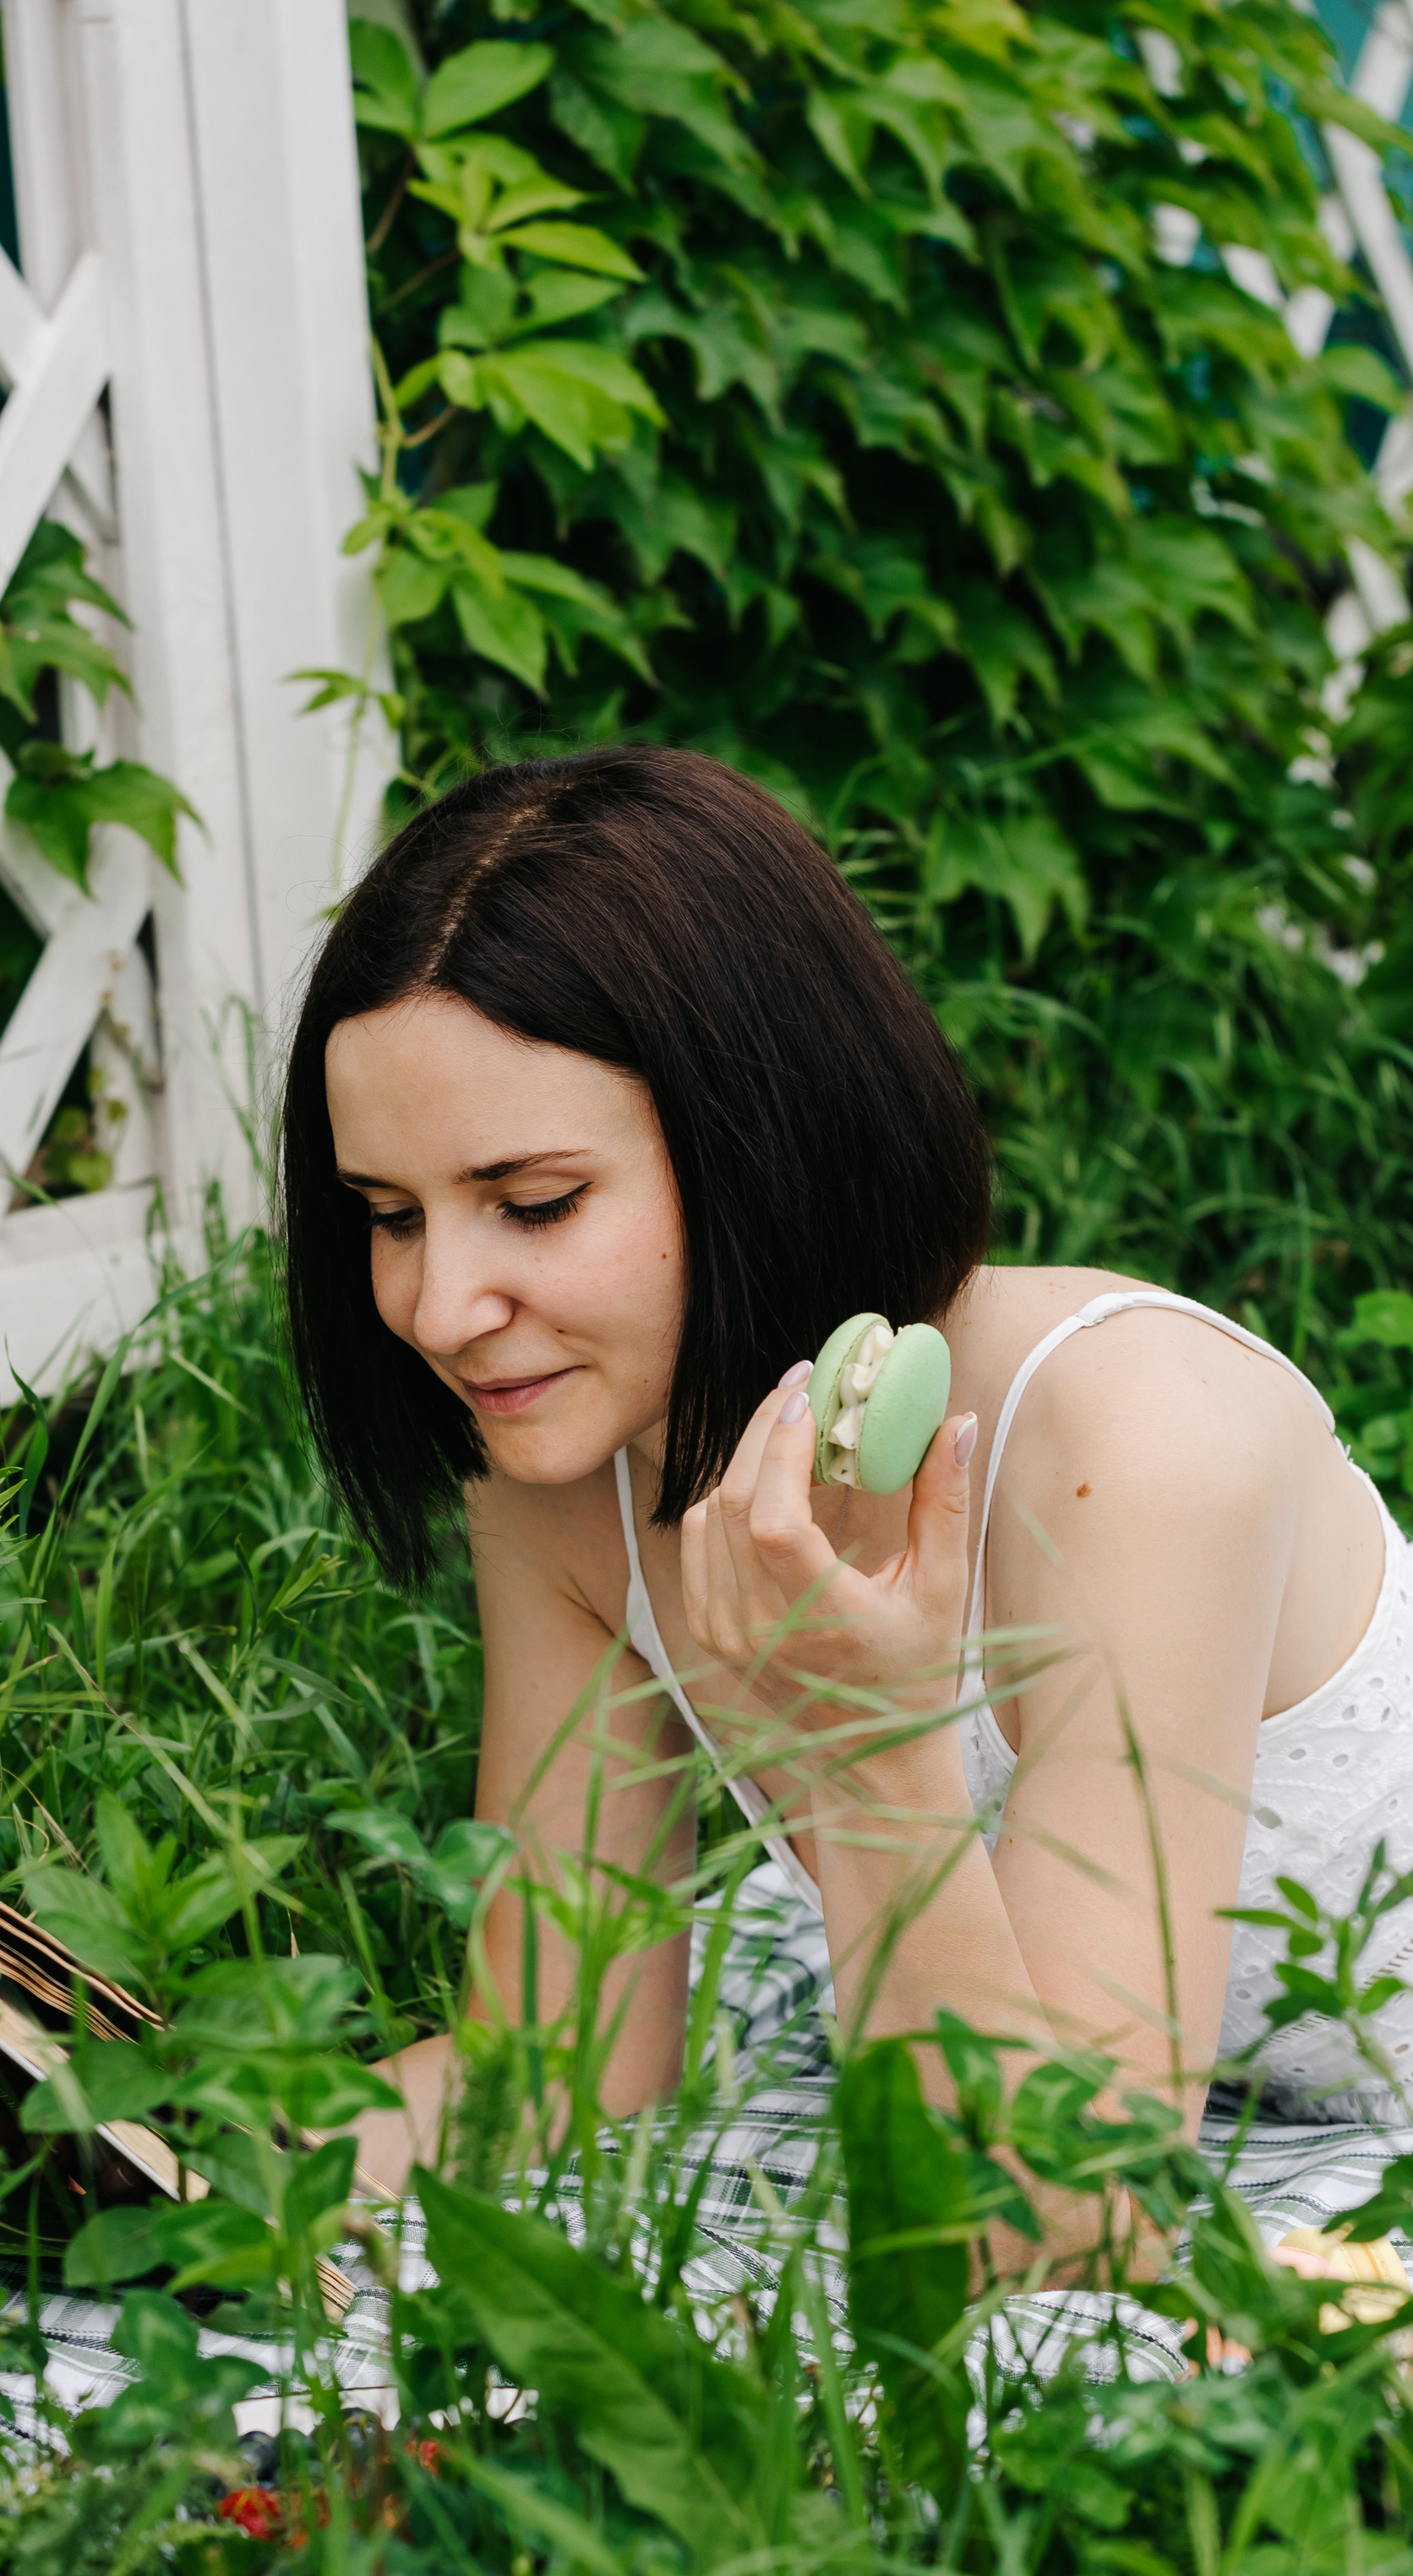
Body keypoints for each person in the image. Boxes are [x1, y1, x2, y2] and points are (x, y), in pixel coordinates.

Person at [278, 747, 1413, 2222]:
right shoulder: (567, 1469)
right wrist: (161, 2164)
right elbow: (559, 2065)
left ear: (762, 1140)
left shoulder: (1138, 1441)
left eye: (535, 1205)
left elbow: (1053, 2218)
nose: (438, 1309)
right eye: (388, 1217)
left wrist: (867, 1742)